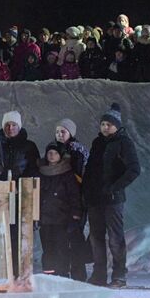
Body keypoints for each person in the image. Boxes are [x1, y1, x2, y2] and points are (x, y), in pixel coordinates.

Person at [84, 103, 140, 288]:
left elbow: (134, 169)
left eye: (109, 124)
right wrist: (87, 191)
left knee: (115, 238)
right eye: (103, 124)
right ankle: (99, 274)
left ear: (117, 125)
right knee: (96, 237)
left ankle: (119, 276)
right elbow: (90, 169)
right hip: (95, 199)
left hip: (113, 199)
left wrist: (115, 187)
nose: (105, 127)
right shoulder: (97, 142)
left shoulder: (124, 142)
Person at [0, 110, 39, 277]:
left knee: (20, 234)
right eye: (7, 125)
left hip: (20, 198)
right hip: (1, 197)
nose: (10, 128)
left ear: (19, 126)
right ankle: (5, 271)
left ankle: (20, 271)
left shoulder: (29, 146)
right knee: (4, 234)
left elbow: (33, 169)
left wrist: (22, 186)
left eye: (13, 125)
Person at [37, 142, 82, 277]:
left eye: (55, 153)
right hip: (45, 219)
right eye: (49, 152)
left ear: (60, 156)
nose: (52, 155)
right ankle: (49, 275)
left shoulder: (67, 174)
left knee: (61, 247)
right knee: (47, 248)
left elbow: (74, 195)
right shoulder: (41, 172)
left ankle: (62, 274)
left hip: (62, 218)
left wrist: (75, 214)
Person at [55, 118, 90, 281]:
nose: (59, 134)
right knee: (61, 238)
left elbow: (85, 176)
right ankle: (62, 272)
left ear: (71, 133)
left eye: (63, 131)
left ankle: (79, 274)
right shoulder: (54, 150)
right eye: (57, 131)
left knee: (75, 237)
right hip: (59, 203)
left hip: (77, 201)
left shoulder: (79, 150)